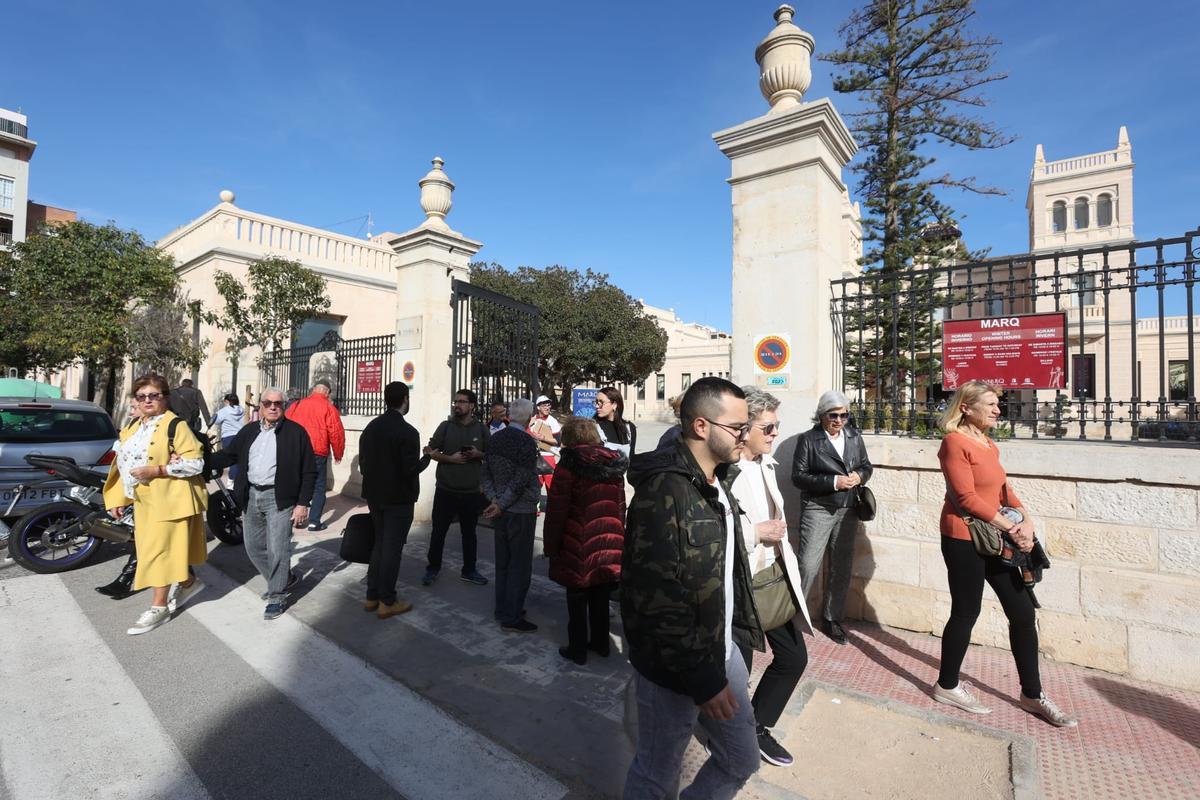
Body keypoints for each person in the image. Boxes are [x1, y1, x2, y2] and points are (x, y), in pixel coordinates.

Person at [621, 377, 763, 799]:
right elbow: (655, 596)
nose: (746, 434)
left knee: (741, 759)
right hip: (674, 666)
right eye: (738, 427)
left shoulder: (718, 482)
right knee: (656, 773)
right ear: (702, 427)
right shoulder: (664, 491)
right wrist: (702, 678)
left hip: (722, 651)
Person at [933, 381, 1078, 727]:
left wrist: (1026, 519)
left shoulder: (988, 444)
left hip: (995, 537)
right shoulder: (954, 442)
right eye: (991, 404)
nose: (999, 409)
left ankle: (1032, 694)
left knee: (1023, 613)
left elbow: (1004, 491)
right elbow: (966, 497)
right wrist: (1009, 527)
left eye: (999, 404)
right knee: (966, 611)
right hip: (963, 537)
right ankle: (947, 685)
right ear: (966, 407)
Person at [729, 388, 811, 767]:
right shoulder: (724, 473)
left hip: (773, 581)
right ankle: (730, 736)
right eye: (769, 426)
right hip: (739, 587)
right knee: (737, 672)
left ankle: (758, 725)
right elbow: (710, 532)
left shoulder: (766, 464)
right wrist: (755, 533)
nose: (776, 433)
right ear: (744, 429)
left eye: (777, 426)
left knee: (793, 657)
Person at [101, 375, 208, 635]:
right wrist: (119, 498)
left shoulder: (175, 425)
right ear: (136, 399)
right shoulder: (134, 426)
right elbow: (123, 464)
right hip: (144, 502)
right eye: (142, 396)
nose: (148, 400)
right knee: (158, 552)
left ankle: (158, 607)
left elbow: (196, 463)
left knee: (158, 554)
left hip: (170, 501)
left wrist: (158, 469)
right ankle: (189, 581)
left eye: (154, 395)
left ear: (165, 397)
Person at [211, 387, 317, 620]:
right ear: (260, 405)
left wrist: (302, 503)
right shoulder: (249, 431)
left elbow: (310, 470)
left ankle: (277, 595)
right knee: (254, 547)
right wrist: (200, 459)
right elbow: (229, 455)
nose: (272, 407)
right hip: (250, 496)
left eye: (277, 403)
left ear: (284, 406)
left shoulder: (296, 433)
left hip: (279, 498)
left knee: (278, 548)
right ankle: (284, 578)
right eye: (268, 402)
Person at [543, 417, 627, 665]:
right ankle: (601, 644)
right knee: (601, 595)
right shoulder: (614, 464)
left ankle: (577, 649)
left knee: (577, 598)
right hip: (609, 538)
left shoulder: (569, 465)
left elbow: (557, 510)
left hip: (577, 541)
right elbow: (621, 506)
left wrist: (551, 545)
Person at [792, 389, 873, 645]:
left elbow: (866, 466)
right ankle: (792, 618)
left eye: (844, 415)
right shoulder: (808, 439)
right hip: (819, 507)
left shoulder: (853, 436)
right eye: (833, 415)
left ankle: (831, 618)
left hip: (848, 509)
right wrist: (834, 481)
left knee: (841, 566)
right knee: (808, 564)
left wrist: (860, 476)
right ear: (822, 415)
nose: (839, 420)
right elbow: (799, 476)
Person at [359, 381, 430, 618]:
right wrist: (427, 458)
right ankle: (387, 600)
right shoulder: (408, 432)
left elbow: (363, 465)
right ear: (405, 400)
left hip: (375, 496)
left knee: (380, 544)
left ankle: (372, 596)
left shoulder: (371, 427)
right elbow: (409, 469)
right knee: (391, 549)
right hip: (398, 499)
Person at [481, 398, 542, 632]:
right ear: (528, 417)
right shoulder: (526, 441)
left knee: (504, 562)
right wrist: (501, 503)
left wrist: (494, 499)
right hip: (519, 510)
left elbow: (484, 472)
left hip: (500, 509)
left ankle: (503, 607)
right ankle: (512, 614)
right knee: (519, 565)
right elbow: (522, 478)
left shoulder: (495, 438)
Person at [422, 389, 490, 587]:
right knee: (438, 532)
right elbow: (429, 450)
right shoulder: (445, 426)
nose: (457, 405)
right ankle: (432, 568)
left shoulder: (481, 429)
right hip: (446, 490)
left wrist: (479, 454)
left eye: (462, 401)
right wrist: (449, 458)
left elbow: (493, 455)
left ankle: (469, 570)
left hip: (470, 492)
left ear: (472, 406)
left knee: (469, 534)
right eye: (456, 401)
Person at [285, 380, 346, 531]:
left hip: (297, 450)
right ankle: (314, 521)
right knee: (318, 487)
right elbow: (336, 433)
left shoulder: (297, 405)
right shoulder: (329, 407)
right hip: (317, 452)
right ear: (327, 392)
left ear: (313, 389)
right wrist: (338, 454)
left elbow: (284, 424)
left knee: (297, 483)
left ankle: (295, 518)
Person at [528, 394, 562, 492]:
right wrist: (529, 424)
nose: (547, 407)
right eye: (544, 405)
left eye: (548, 405)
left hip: (548, 457)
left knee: (551, 488)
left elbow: (558, 442)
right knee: (534, 489)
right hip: (533, 457)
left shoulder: (553, 421)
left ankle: (552, 507)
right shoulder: (532, 420)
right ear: (538, 407)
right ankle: (535, 507)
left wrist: (543, 438)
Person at [593, 386, 637, 457]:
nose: (597, 406)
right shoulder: (592, 428)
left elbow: (631, 458)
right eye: (596, 402)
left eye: (601, 402)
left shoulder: (630, 428)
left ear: (614, 405)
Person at [211, 393, 245, 481]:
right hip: (241, 436)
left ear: (227, 401)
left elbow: (216, 421)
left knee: (229, 459)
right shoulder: (242, 409)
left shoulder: (224, 411)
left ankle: (232, 480)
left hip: (228, 436)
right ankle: (238, 478)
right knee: (239, 458)